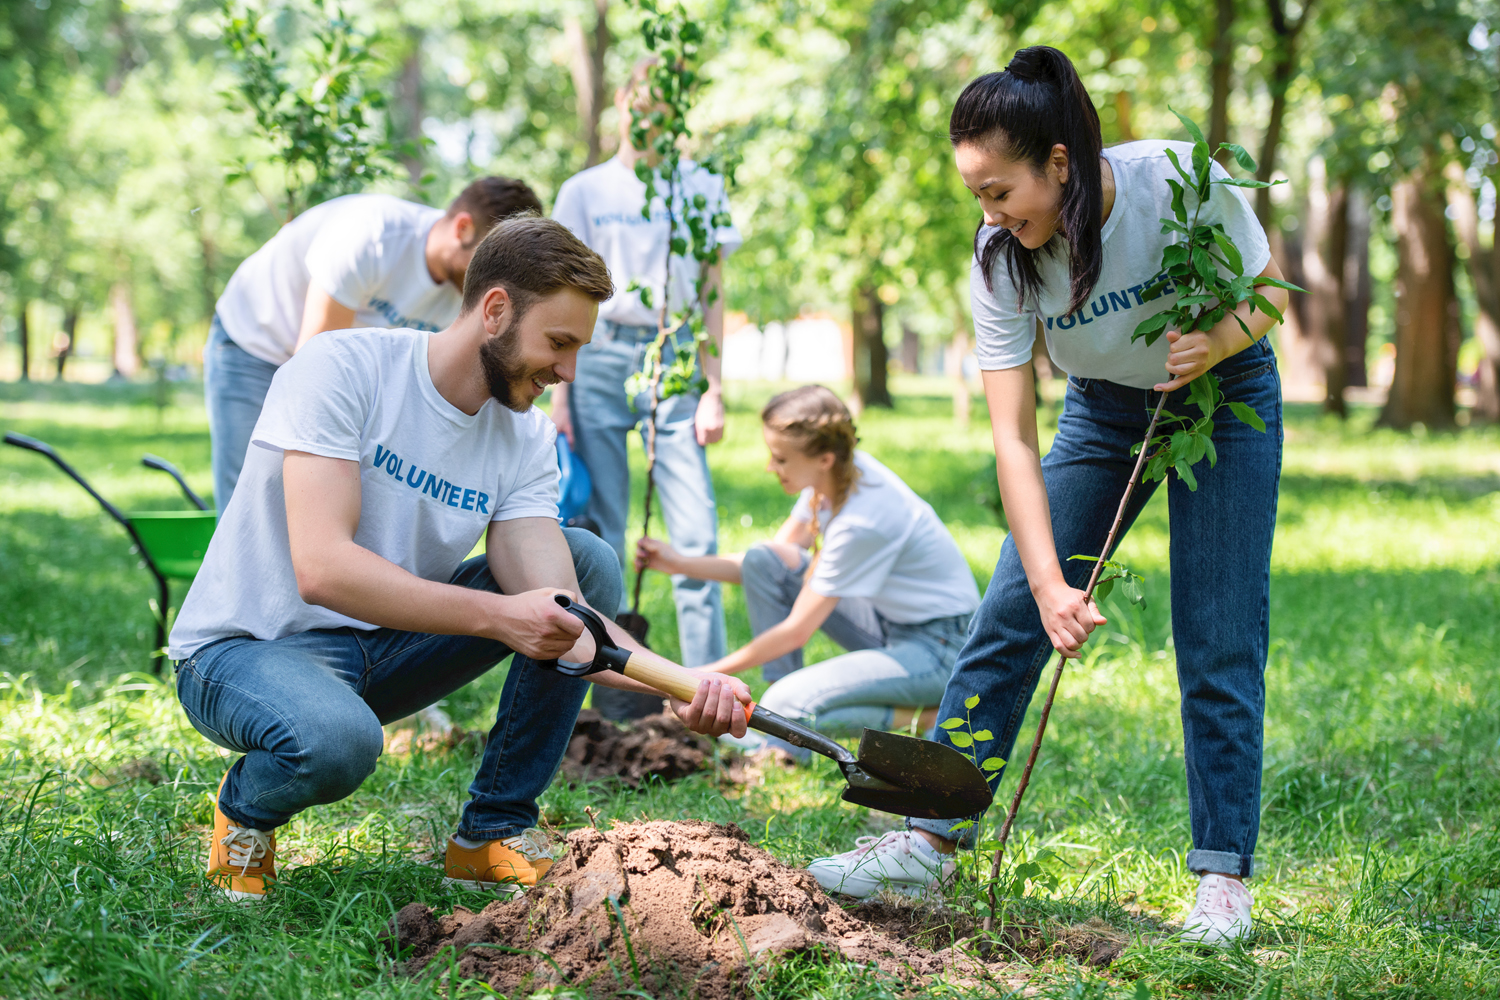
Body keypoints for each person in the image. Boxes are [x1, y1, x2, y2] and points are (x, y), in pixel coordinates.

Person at [807, 47, 1288, 948]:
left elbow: (1269, 292)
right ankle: (924, 836)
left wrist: (1218, 343)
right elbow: (1014, 439)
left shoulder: (1177, 184)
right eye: (977, 195)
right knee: (1004, 617)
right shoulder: (1002, 261)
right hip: (1103, 412)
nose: (989, 214)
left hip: (1223, 402)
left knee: (1218, 632)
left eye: (999, 191)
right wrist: (1047, 583)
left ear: (1058, 163)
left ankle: (1223, 880)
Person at [168, 217, 753, 903]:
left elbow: (568, 615)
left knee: (586, 557)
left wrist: (683, 686)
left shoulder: (526, 437)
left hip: (381, 653)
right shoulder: (343, 368)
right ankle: (245, 813)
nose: (566, 372)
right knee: (337, 742)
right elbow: (322, 567)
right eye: (558, 343)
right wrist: (500, 617)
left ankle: (491, 835)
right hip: (243, 653)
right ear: (496, 310)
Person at [635, 385, 980, 752]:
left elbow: (795, 632)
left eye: (780, 459)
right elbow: (770, 561)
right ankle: (776, 724)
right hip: (888, 624)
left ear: (824, 458)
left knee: (789, 706)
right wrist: (678, 564)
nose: (771, 467)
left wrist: (696, 679)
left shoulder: (864, 519)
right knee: (764, 559)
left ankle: (921, 716)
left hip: (941, 649)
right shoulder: (834, 478)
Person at [550, 60, 741, 717]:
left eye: (665, 109)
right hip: (598, 353)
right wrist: (560, 393)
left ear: (679, 115)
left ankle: (707, 691)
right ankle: (598, 677)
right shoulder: (585, 190)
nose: (649, 119)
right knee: (599, 529)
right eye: (640, 105)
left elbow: (714, 290)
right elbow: (560, 292)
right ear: (624, 105)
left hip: (676, 351)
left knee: (694, 527)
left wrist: (714, 385)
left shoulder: (702, 187)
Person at [206, 177, 543, 513]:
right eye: (492, 262)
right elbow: (311, 364)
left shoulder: (470, 294)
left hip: (330, 362)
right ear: (463, 228)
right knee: (254, 493)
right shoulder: (374, 235)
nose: (496, 282)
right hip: (255, 341)